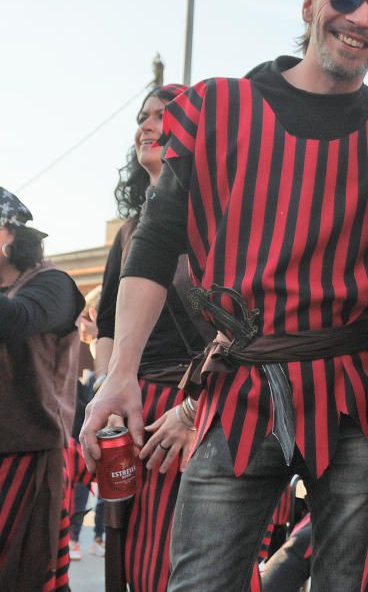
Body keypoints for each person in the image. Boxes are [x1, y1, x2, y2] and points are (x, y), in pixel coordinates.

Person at [81, 0, 368, 592]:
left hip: (355, 387)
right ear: (309, 3)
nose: (361, 18)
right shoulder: (218, 106)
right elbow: (157, 238)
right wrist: (119, 375)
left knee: (359, 581)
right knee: (202, 581)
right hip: (239, 386)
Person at [92, 83, 214, 590]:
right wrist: (110, 396)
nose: (147, 125)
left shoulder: (220, 218)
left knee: (185, 565)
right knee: (131, 563)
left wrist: (192, 409)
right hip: (134, 412)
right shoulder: (130, 230)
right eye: (143, 116)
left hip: (197, 407)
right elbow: (105, 330)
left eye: (164, 116)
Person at [0, 188, 85, 591]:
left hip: (28, 454)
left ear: (10, 234)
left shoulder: (53, 284)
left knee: (25, 576)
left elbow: (17, 320)